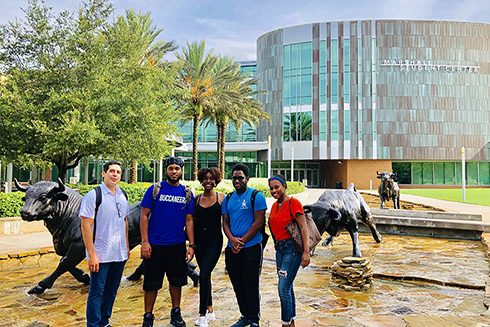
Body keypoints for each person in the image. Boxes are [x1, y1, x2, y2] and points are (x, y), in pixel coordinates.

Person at [140, 157, 195, 327]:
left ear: (181, 171)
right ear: (166, 170)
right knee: (151, 284)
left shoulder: (186, 193)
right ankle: (148, 316)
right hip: (155, 245)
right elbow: (144, 215)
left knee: (176, 281)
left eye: (177, 168)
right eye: (171, 168)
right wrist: (145, 242)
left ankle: (176, 312)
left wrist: (191, 245)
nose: (174, 171)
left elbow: (189, 220)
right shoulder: (155, 189)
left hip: (177, 245)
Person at [80, 160, 130, 327]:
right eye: (111, 171)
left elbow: (124, 221)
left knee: (111, 291)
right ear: (103, 173)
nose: (115, 174)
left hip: (119, 253)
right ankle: (93, 324)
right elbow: (85, 225)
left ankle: (104, 321)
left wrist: (127, 247)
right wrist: (91, 254)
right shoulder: (94, 195)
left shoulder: (123, 195)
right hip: (101, 254)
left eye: (118, 172)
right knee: (96, 292)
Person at [222, 164, 267, 327]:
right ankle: (245, 315)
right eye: (234, 178)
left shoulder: (256, 196)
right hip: (232, 250)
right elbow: (225, 223)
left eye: (240, 178)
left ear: (247, 179)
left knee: (251, 284)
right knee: (237, 284)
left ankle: (254, 319)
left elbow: (258, 222)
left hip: (251, 248)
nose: (237, 181)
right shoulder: (228, 198)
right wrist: (232, 240)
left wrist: (242, 241)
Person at [268, 174, 310, 327]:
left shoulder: (294, 203)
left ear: (284, 186)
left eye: (277, 187)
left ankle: (285, 323)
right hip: (279, 249)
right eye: (271, 188)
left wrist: (306, 252)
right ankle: (291, 321)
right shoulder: (274, 206)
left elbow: (304, 228)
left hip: (292, 249)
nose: (274, 191)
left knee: (283, 288)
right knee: (288, 286)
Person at [193, 167, 225, 327]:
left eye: (211, 178)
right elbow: (190, 222)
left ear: (216, 180)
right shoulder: (196, 199)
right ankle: (210, 310)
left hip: (214, 242)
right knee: (206, 276)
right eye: (205, 178)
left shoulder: (222, 198)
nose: (208, 181)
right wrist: (191, 244)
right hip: (199, 243)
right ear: (201, 180)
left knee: (203, 275)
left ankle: (202, 315)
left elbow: (228, 221)